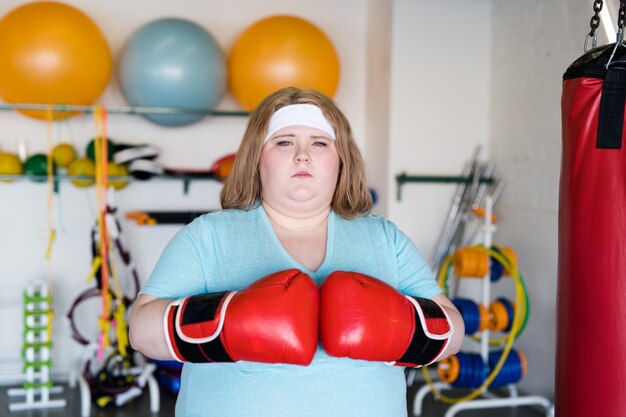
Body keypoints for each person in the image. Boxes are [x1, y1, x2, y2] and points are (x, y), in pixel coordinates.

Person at [129, 86, 464, 417]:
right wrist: (230, 321)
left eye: (319, 143)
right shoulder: (208, 236)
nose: (302, 154)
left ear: (340, 161)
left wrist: (395, 326)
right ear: (257, 159)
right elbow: (141, 331)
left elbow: (453, 332)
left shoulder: (386, 240)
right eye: (284, 141)